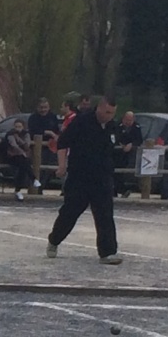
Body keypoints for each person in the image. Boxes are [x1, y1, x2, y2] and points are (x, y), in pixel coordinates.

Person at [45, 95, 122, 264]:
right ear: (99, 108)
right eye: (107, 112)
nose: (109, 116)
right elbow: (62, 143)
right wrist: (62, 166)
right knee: (70, 213)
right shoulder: (81, 122)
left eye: (112, 113)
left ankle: (108, 252)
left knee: (105, 215)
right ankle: (54, 240)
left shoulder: (112, 126)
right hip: (80, 176)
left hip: (102, 178)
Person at [2, 118, 33, 201]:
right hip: (12, 156)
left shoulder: (26, 134)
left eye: (19, 126)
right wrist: (22, 151)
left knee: (23, 166)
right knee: (23, 164)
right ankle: (33, 178)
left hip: (23, 156)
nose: (17, 128)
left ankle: (18, 189)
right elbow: (13, 145)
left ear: (23, 127)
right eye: (16, 126)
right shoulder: (10, 134)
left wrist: (19, 139)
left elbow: (27, 145)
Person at [113, 112, 142, 198]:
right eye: (127, 120)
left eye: (130, 120)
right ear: (123, 119)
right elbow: (113, 136)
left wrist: (132, 144)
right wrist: (119, 144)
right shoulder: (117, 125)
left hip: (129, 154)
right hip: (117, 153)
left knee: (123, 173)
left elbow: (139, 139)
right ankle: (117, 191)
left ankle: (121, 190)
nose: (128, 122)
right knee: (116, 172)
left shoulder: (136, 127)